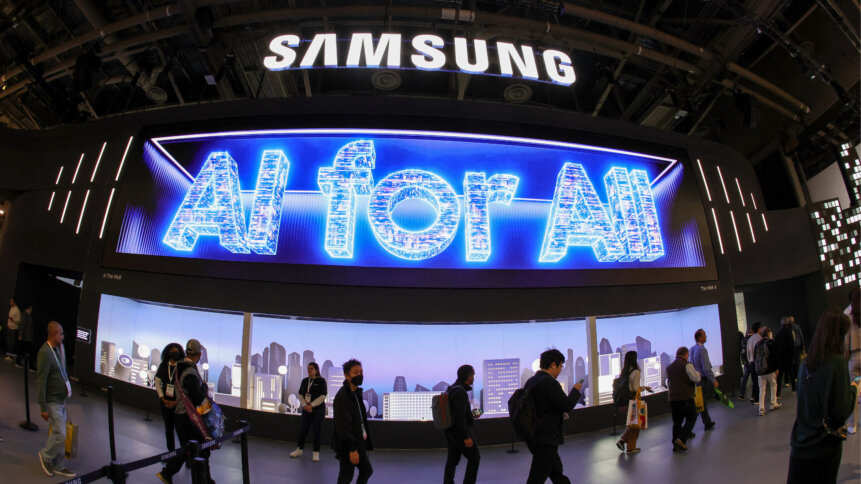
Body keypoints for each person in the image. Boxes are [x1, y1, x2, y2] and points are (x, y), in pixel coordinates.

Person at [788, 308, 860, 484]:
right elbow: (841, 411)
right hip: (825, 446)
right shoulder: (837, 363)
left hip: (801, 444)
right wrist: (853, 389)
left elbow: (802, 405)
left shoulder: (806, 364)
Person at [157, 339, 214, 484]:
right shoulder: (189, 371)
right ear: (199, 354)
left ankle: (168, 473)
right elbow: (195, 396)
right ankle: (203, 480)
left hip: (181, 415)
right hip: (188, 417)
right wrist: (205, 392)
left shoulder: (180, 366)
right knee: (199, 449)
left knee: (187, 448)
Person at [522, 348, 582, 484]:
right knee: (537, 477)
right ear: (553, 365)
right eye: (560, 366)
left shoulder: (531, 382)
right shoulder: (549, 383)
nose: (560, 370)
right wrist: (575, 391)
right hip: (546, 437)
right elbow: (566, 405)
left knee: (556, 472)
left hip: (534, 435)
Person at [36, 321, 74, 478]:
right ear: (53, 334)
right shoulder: (45, 353)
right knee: (60, 434)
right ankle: (45, 456)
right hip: (52, 401)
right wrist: (43, 407)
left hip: (61, 400)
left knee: (60, 432)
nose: (63, 336)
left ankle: (58, 464)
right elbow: (41, 380)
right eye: (61, 333)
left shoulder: (59, 349)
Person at [333, 359, 373, 484]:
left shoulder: (355, 392)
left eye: (361, 372)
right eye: (356, 372)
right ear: (347, 376)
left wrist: (365, 443)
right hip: (348, 445)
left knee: (366, 471)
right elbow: (343, 425)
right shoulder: (343, 396)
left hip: (358, 442)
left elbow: (360, 419)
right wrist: (352, 449)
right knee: (346, 477)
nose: (360, 375)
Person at [443, 364, 480, 484]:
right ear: (468, 376)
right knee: (474, 458)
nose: (474, 377)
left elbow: (458, 413)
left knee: (452, 460)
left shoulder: (452, 388)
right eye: (473, 374)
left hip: (450, 431)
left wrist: (472, 414)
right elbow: (459, 418)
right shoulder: (461, 392)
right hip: (459, 433)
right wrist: (466, 437)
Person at [615, 351, 653, 454]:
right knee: (636, 426)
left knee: (632, 424)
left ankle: (622, 441)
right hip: (635, 400)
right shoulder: (636, 372)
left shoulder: (625, 372)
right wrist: (645, 388)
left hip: (627, 400)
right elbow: (636, 388)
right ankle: (631, 447)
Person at [290, 362, 328, 461]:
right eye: (308, 368)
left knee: (317, 431)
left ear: (316, 370)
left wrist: (312, 405)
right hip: (306, 409)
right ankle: (299, 449)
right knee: (303, 430)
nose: (309, 370)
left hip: (318, 410)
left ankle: (316, 452)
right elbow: (300, 394)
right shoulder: (305, 381)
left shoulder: (321, 381)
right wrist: (304, 405)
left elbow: (323, 396)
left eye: (311, 368)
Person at [667, 346, 700, 452]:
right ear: (686, 354)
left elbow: (668, 382)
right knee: (692, 417)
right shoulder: (687, 365)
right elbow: (696, 378)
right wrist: (698, 373)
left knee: (677, 422)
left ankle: (675, 444)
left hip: (673, 398)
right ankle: (682, 439)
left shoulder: (669, 367)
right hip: (685, 397)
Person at [154, 343, 184, 451]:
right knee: (168, 429)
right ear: (168, 352)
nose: (175, 353)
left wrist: (177, 402)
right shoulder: (163, 365)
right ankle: (170, 453)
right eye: (172, 351)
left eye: (177, 351)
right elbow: (157, 382)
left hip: (179, 404)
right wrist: (163, 398)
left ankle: (185, 454)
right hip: (165, 402)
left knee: (181, 430)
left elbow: (185, 387)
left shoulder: (182, 366)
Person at [689, 329, 717, 430]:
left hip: (696, 380)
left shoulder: (692, 349)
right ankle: (688, 428)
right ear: (699, 337)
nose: (706, 337)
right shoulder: (702, 350)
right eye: (704, 335)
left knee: (700, 403)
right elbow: (706, 368)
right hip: (703, 379)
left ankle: (707, 422)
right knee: (700, 403)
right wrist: (713, 380)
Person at [754, 326, 781, 416]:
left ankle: (761, 409)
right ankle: (773, 403)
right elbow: (775, 357)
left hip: (760, 371)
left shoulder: (757, 344)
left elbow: (755, 358)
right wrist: (776, 368)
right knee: (773, 385)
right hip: (770, 369)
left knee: (762, 389)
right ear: (768, 333)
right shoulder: (771, 343)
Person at [845, 287, 860, 434]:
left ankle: (852, 425)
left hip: (854, 359)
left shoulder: (846, 314)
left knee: (854, 391)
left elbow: (845, 341)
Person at [775, 317, 797, 397]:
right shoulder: (789, 333)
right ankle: (794, 389)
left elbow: (775, 346)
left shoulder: (778, 334)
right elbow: (792, 345)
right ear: (788, 324)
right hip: (788, 357)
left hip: (780, 358)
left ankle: (778, 393)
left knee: (780, 376)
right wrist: (793, 357)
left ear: (781, 324)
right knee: (791, 373)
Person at [745, 322, 763, 404]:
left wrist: (749, 360)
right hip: (758, 362)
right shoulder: (759, 338)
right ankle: (757, 399)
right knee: (759, 380)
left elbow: (748, 353)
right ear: (759, 329)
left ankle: (753, 396)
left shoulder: (750, 339)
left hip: (751, 362)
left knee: (754, 380)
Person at [16, 304, 35, 371]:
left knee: (24, 351)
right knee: (28, 351)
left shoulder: (28, 315)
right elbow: (22, 326)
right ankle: (31, 366)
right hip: (26, 337)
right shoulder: (25, 315)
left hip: (27, 337)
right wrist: (20, 335)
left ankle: (19, 361)